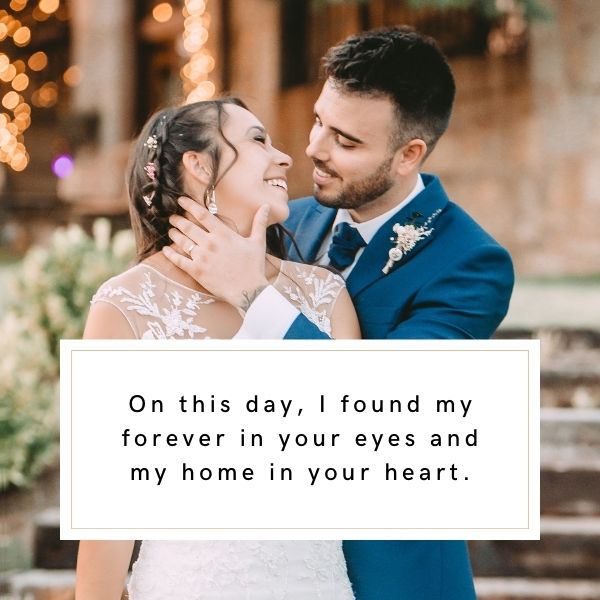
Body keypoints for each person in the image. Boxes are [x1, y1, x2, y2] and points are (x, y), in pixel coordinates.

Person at [164, 27, 515, 600]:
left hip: (389, 573)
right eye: (318, 120)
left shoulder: (471, 264)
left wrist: (254, 294)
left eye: (346, 141)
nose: (314, 149)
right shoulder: (286, 218)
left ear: (409, 155)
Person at [76, 97, 360, 599]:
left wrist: (254, 295)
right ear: (199, 164)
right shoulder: (124, 308)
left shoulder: (324, 296)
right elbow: (108, 518)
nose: (285, 157)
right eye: (257, 140)